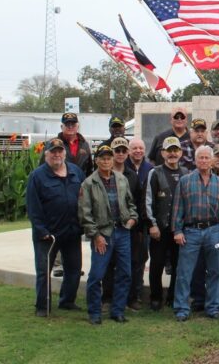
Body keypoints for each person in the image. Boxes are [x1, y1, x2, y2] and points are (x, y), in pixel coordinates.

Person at [172, 145, 219, 321]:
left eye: (207, 158)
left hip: (214, 231)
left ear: (212, 161)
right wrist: (177, 230)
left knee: (215, 271)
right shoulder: (185, 181)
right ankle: (182, 308)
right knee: (184, 272)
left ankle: (212, 307)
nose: (204, 161)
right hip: (190, 231)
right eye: (201, 158)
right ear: (195, 160)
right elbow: (178, 208)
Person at [79, 145, 138, 324]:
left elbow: (131, 204)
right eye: (102, 158)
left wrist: (132, 219)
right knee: (97, 275)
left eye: (109, 158)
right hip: (102, 234)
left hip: (122, 232)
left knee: (125, 273)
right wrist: (95, 236)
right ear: (97, 160)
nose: (106, 161)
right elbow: (84, 214)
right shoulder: (89, 183)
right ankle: (94, 313)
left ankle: (117, 311)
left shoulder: (121, 180)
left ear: (113, 160)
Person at [26, 138, 85, 317]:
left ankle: (67, 301)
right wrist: (41, 230)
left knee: (74, 269)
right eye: (53, 152)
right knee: (44, 270)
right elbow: (33, 207)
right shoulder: (37, 176)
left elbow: (84, 200)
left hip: (72, 230)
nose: (57, 155)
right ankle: (42, 306)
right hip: (48, 234)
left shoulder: (76, 172)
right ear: (47, 154)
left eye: (60, 151)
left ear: (65, 153)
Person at [144, 137, 188, 311]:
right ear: (162, 153)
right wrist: (152, 225)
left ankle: (172, 296)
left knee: (178, 265)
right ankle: (155, 297)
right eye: (169, 150)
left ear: (180, 153)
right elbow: (148, 201)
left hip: (179, 230)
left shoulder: (186, 173)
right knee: (157, 265)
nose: (172, 154)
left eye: (175, 150)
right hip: (159, 229)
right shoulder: (154, 173)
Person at [103, 137, 146, 311]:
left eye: (123, 151)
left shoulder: (132, 175)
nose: (120, 154)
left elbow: (138, 201)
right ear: (111, 153)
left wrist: (137, 222)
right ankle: (107, 298)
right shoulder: (101, 173)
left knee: (131, 264)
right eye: (117, 151)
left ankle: (130, 297)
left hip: (129, 228)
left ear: (127, 153)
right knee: (108, 263)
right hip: (107, 227)